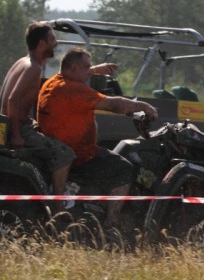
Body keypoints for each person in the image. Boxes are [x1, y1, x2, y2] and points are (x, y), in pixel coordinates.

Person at [36, 47, 158, 232]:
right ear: (74, 68)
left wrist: (94, 70)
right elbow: (114, 104)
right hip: (79, 154)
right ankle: (112, 224)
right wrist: (144, 106)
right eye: (86, 67)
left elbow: (77, 74)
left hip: (59, 148)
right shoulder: (73, 89)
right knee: (124, 169)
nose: (89, 70)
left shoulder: (53, 83)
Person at [1, 23, 113, 207]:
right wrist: (17, 135)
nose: (56, 43)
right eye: (52, 39)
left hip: (13, 125)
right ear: (41, 43)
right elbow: (13, 99)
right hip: (19, 128)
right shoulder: (33, 68)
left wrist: (92, 70)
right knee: (65, 153)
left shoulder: (22, 62)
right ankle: (57, 206)